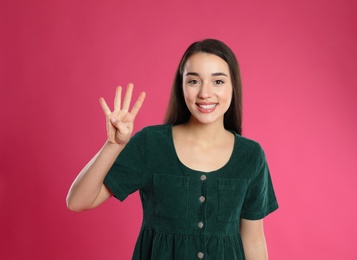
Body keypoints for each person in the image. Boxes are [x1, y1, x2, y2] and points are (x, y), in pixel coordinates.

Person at [66, 39, 278, 260]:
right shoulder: (151, 144)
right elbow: (78, 201)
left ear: (233, 86)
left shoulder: (251, 156)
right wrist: (113, 145)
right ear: (181, 86)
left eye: (218, 82)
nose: (205, 93)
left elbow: (253, 239)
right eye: (194, 81)